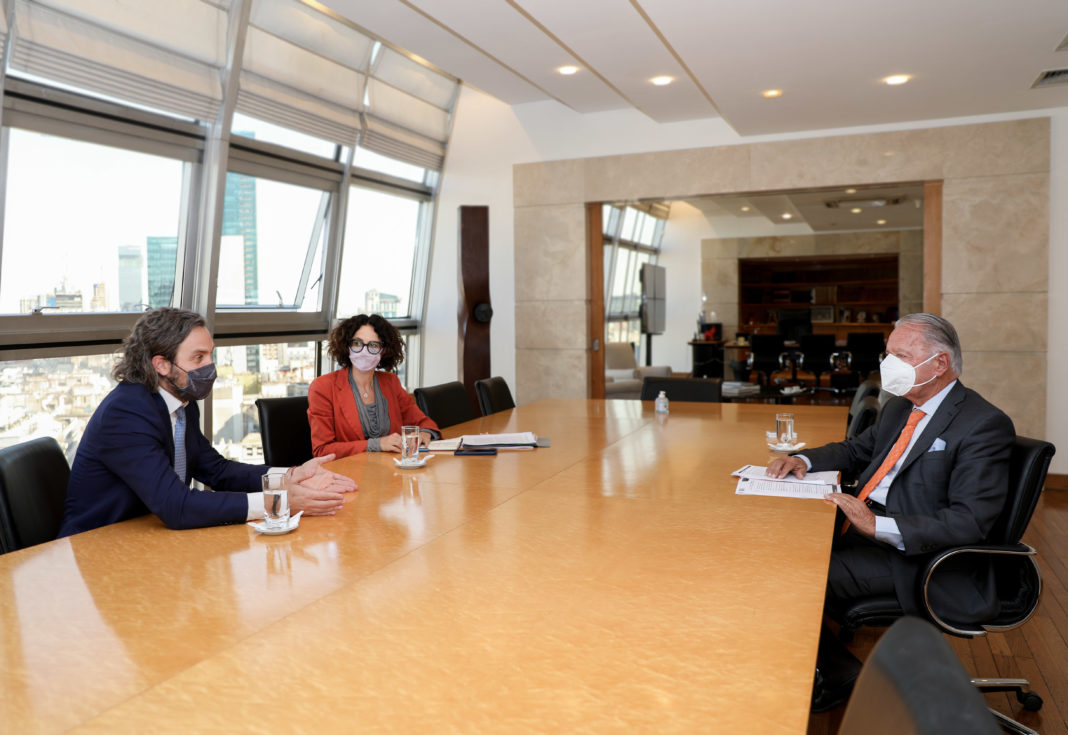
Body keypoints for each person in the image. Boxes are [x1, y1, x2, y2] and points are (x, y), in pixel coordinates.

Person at [766, 313, 1015, 711]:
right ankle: (831, 669)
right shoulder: (901, 407)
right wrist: (802, 459)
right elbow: (856, 450)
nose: (888, 364)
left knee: (796, 579)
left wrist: (877, 524)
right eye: (888, 354)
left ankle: (836, 676)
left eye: (900, 354)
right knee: (773, 551)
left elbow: (969, 521)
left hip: (915, 555)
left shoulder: (983, 425)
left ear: (939, 364)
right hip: (862, 530)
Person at [59, 308, 357, 537]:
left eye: (210, 356)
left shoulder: (181, 402)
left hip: (148, 537)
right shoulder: (126, 413)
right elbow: (177, 506)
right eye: (198, 357)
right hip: (98, 548)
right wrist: (277, 501)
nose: (209, 368)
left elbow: (216, 470)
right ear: (161, 364)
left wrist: (290, 475)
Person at [308, 314, 439, 458]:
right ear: (347, 345)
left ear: (384, 350)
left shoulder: (391, 382)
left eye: (373, 345)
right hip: (346, 474)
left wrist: (425, 433)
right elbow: (322, 450)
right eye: (357, 343)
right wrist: (377, 444)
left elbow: (423, 422)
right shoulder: (323, 387)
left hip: (390, 472)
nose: (364, 351)